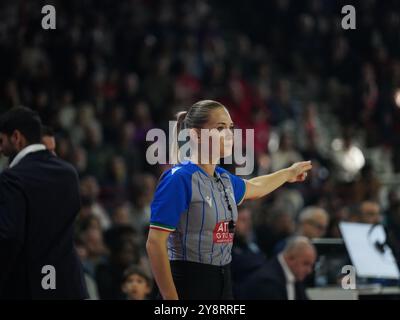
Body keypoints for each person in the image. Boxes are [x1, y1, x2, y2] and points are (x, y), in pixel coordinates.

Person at [146, 100, 312, 300]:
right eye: (220, 128)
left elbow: (255, 187)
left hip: (224, 280)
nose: (228, 134)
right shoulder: (178, 178)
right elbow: (155, 243)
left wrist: (288, 173)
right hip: (187, 283)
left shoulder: (224, 178)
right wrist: (171, 300)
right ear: (195, 135)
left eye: (230, 128)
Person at [0, 107, 87, 299]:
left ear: (16, 137)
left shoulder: (12, 178)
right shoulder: (69, 173)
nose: (0, 148)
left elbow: (10, 238)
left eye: (1, 141)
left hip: (30, 286)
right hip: (68, 284)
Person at [237, 236, 317, 300]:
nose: (309, 271)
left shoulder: (295, 276)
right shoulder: (267, 282)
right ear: (291, 258)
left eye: (311, 265)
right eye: (306, 264)